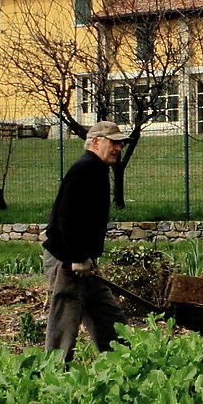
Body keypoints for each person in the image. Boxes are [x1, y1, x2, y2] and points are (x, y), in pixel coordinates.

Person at [43, 121, 126, 361]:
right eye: (113, 142)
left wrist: (85, 257)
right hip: (67, 259)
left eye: (120, 143)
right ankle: (54, 372)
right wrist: (76, 258)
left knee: (108, 316)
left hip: (83, 260)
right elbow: (66, 217)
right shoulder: (86, 169)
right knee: (65, 321)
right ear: (95, 141)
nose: (118, 148)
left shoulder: (97, 169)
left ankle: (124, 363)